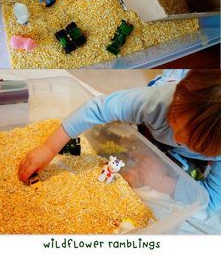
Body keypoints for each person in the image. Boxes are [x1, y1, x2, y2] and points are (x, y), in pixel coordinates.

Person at [18, 69, 221, 210]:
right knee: (111, 137)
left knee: (189, 177)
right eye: (175, 122)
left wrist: (162, 181)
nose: (176, 137)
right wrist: (49, 148)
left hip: (191, 148)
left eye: (192, 142)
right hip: (156, 113)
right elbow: (98, 108)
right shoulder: (156, 102)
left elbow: (210, 200)